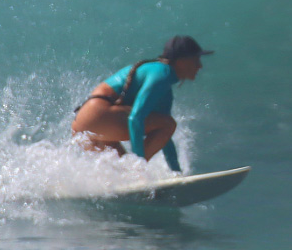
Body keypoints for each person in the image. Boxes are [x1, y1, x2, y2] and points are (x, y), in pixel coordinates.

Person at [71, 35, 212, 172]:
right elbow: (135, 118)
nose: (199, 66)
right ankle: (136, 171)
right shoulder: (163, 74)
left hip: (82, 126)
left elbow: (165, 138)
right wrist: (138, 166)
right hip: (99, 115)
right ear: (181, 60)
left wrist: (177, 173)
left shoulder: (162, 82)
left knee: (122, 171)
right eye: (196, 60)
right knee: (168, 124)